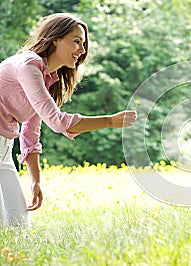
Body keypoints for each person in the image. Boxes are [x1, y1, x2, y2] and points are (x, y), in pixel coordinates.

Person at [0, 13, 137, 227]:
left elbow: (30, 134)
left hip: (4, 152)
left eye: (83, 44)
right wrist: (110, 121)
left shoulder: (45, 79)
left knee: (18, 226)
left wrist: (35, 180)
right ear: (56, 38)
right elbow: (58, 122)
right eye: (76, 41)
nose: (82, 50)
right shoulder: (28, 66)